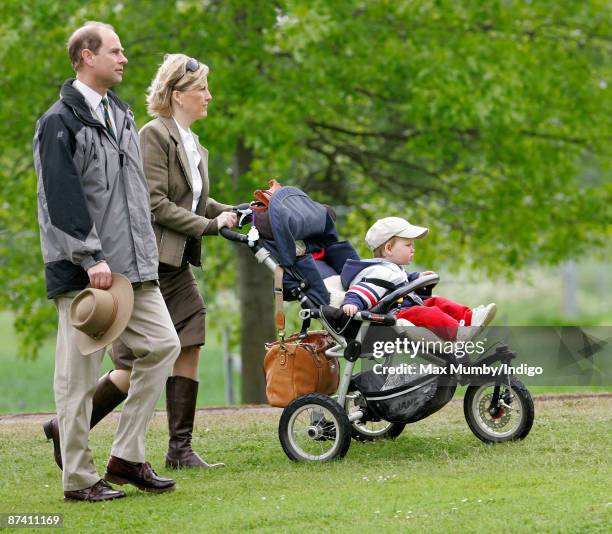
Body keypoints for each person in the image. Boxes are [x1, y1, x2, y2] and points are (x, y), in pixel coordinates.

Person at [35, 21, 181, 502]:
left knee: (163, 346)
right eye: (114, 52)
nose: (123, 59)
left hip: (135, 269)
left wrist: (146, 255)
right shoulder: (60, 122)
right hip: (88, 274)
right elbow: (62, 198)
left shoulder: (120, 113)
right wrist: (90, 255)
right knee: (76, 381)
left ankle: (126, 456)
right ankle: (78, 478)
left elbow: (134, 196)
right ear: (85, 58)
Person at [341, 217, 496, 340]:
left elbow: (400, 281)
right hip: (395, 314)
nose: (413, 249)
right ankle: (457, 333)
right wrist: (351, 303)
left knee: (436, 302)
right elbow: (361, 291)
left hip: (408, 306)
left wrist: (417, 277)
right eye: (408, 245)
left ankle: (469, 318)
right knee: (427, 313)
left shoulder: (391, 269)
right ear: (388, 248)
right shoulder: (376, 272)